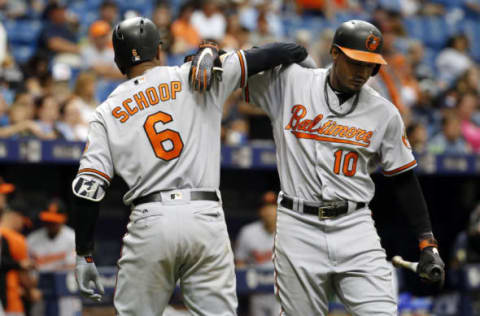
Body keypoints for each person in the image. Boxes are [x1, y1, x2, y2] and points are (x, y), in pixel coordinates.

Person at [70, 16, 308, 315]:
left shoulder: (105, 112)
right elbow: (288, 50)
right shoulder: (196, 75)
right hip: (204, 216)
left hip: (149, 220)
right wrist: (215, 56)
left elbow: (87, 192)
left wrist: (84, 255)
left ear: (118, 63)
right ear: (159, 50)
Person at [217, 20, 444, 315]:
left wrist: (428, 243)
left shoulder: (384, 113)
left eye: (370, 65)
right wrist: (218, 55)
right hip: (297, 225)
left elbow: (404, 179)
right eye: (355, 62)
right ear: (335, 53)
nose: (362, 72)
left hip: (355, 225)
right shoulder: (292, 82)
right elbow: (230, 74)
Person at [27, 199, 78, 316]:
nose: (51, 224)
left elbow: (72, 268)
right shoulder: (32, 239)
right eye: (48, 220)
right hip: (40, 292)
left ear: (64, 219)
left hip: (65, 294)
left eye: (54, 221)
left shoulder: (73, 238)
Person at [235, 191, 281, 316]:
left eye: (272, 207)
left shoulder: (289, 232)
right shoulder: (248, 232)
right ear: (260, 211)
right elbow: (239, 263)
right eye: (265, 207)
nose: (269, 212)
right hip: (257, 292)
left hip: (281, 293)